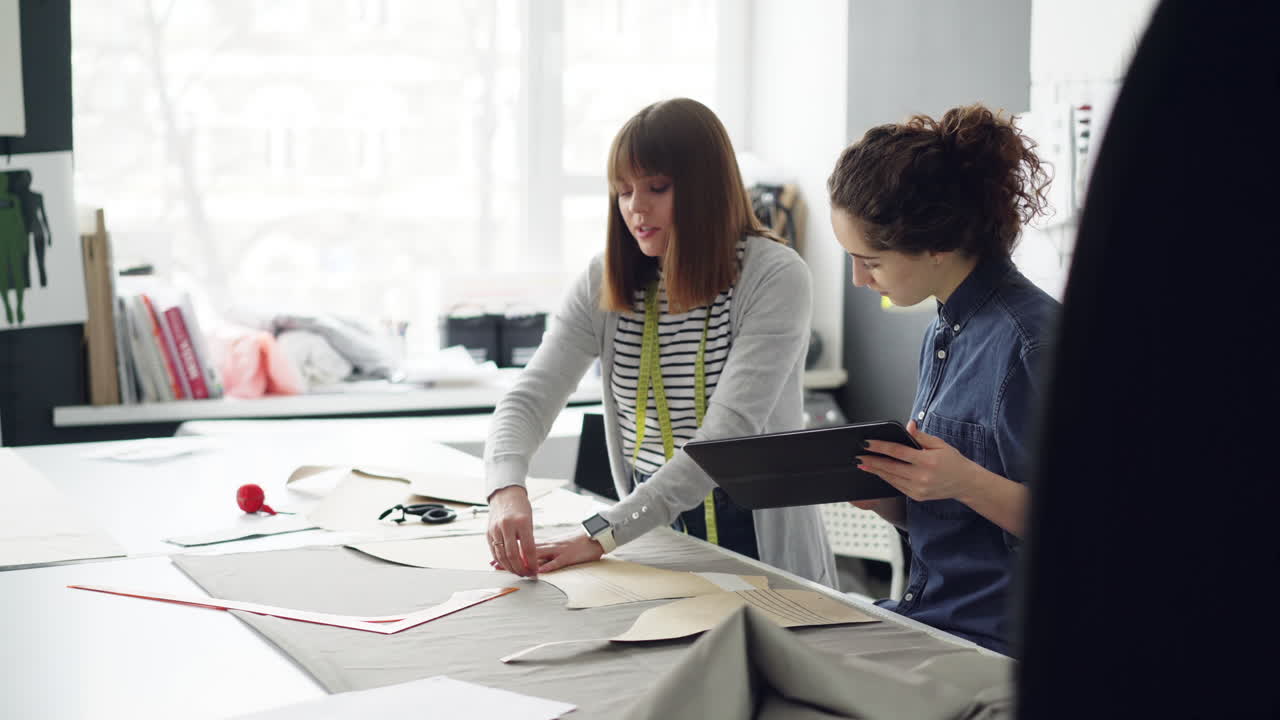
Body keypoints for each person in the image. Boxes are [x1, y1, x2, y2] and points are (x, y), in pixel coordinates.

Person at [485, 97, 836, 587]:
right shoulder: (602, 279)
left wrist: (600, 532)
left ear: (707, 188)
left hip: (755, 545)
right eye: (623, 191)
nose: (635, 208)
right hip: (648, 536)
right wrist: (505, 488)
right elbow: (530, 397)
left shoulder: (774, 276)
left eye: (657, 188)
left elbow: (722, 441)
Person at [827, 104, 1056, 654]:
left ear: (938, 245)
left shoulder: (1034, 345)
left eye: (871, 261)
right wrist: (895, 497)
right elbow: (967, 529)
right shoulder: (945, 331)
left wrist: (961, 481)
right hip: (929, 620)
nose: (859, 279)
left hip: (995, 647)